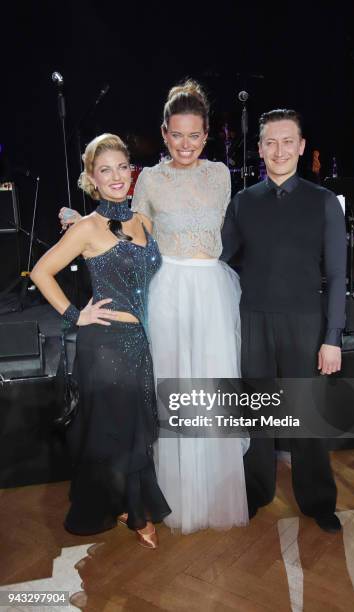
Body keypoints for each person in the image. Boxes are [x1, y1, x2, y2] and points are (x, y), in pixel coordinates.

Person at [60, 81, 249, 534]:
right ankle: (170, 498)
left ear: (207, 136)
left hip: (211, 294)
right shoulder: (149, 179)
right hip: (164, 294)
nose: (186, 144)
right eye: (177, 135)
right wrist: (79, 226)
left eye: (195, 135)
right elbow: (127, 229)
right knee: (167, 392)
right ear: (164, 133)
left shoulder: (221, 175)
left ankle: (216, 495)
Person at [32, 133, 170, 547]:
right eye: (104, 169)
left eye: (121, 167)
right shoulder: (87, 228)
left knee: (133, 427)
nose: (115, 176)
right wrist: (77, 315)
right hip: (105, 345)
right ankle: (134, 512)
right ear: (92, 177)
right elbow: (41, 272)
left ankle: (127, 501)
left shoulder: (143, 221)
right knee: (121, 429)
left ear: (131, 171)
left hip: (140, 341)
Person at [221, 109, 347, 533]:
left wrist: (333, 336)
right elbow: (216, 260)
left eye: (287, 141)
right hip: (253, 320)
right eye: (270, 142)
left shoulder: (324, 201)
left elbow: (337, 275)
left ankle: (318, 500)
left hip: (305, 323)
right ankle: (256, 491)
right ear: (259, 149)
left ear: (301, 145)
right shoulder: (242, 203)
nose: (279, 150)